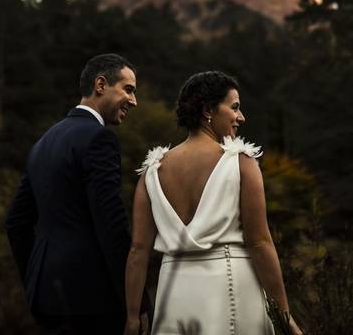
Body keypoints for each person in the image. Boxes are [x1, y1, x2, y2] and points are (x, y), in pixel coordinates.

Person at [124, 70, 303, 335]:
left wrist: (132, 317)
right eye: (234, 107)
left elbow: (139, 250)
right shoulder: (241, 163)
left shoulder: (151, 171)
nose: (241, 117)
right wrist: (284, 315)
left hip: (173, 295)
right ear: (208, 109)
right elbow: (260, 242)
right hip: (230, 289)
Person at [6, 53, 148, 335]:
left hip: (46, 295)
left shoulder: (44, 141)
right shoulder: (99, 139)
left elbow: (16, 222)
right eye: (128, 89)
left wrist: (35, 278)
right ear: (100, 85)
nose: (134, 101)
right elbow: (111, 225)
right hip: (90, 298)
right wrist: (136, 302)